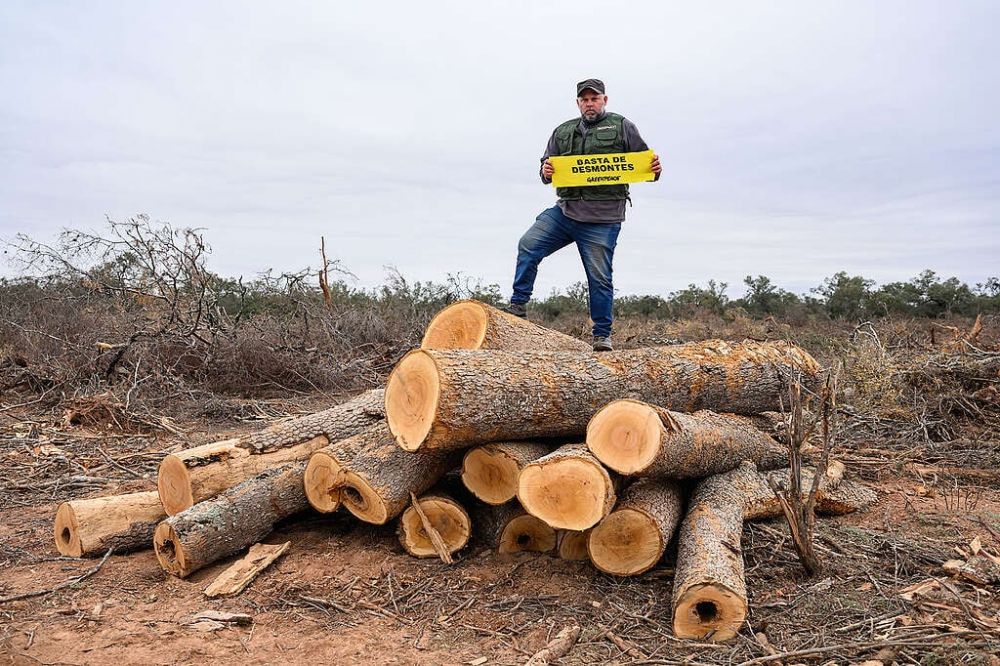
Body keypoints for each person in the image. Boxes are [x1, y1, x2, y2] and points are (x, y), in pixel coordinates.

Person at [506, 78, 661, 351]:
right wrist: (545, 171)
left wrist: (655, 168)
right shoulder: (562, 131)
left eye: (595, 98)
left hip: (602, 219)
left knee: (599, 278)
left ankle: (602, 335)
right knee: (528, 245)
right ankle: (518, 306)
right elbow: (546, 165)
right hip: (565, 212)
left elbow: (645, 166)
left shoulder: (622, 126)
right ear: (578, 102)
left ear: (605, 100)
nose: (590, 103)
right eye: (584, 99)